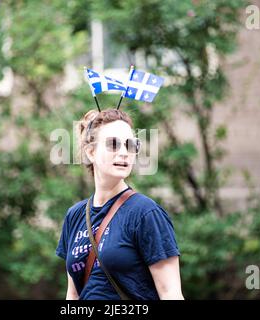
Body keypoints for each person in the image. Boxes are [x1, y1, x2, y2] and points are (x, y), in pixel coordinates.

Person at [56, 108, 185, 300]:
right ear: (91, 152)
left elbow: (170, 294)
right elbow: (73, 294)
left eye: (131, 145)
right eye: (113, 144)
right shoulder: (75, 215)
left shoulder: (145, 213)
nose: (124, 153)